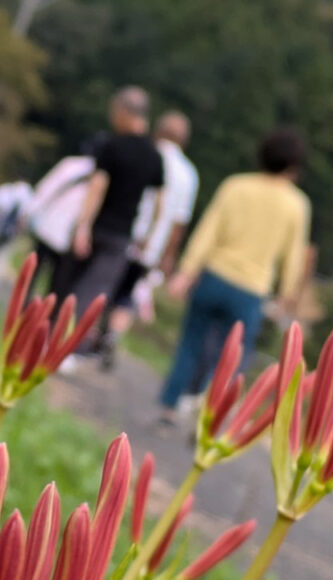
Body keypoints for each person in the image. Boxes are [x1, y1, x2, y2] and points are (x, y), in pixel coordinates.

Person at [158, 127, 311, 423]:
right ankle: (208, 409)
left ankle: (169, 405)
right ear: (294, 166)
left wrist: (185, 272)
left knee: (191, 342)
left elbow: (208, 231)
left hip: (214, 277)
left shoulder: (236, 186)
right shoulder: (297, 204)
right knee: (233, 358)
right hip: (250, 291)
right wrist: (286, 296)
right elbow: (293, 257)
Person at [95, 111, 199, 369]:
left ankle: (93, 334)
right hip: (153, 244)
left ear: (158, 130)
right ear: (184, 140)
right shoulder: (189, 174)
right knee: (127, 293)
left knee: (105, 285)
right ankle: (112, 336)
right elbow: (178, 222)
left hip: (124, 230)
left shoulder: (145, 152)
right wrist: (169, 255)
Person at [68, 87, 165, 319]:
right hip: (122, 234)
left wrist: (82, 226)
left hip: (97, 227)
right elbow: (160, 204)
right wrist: (148, 236)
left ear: (124, 111)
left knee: (73, 288)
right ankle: (74, 347)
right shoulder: (154, 155)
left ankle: (56, 341)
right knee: (96, 292)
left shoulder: (112, 145)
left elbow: (97, 189)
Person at [16, 147, 99, 296]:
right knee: (57, 286)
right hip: (67, 236)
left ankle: (24, 309)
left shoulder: (72, 163)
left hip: (48, 226)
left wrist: (29, 211)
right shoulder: (99, 176)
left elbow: (46, 187)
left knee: (31, 275)